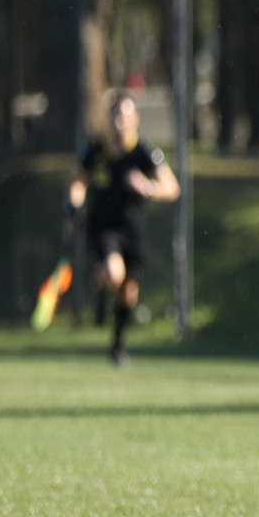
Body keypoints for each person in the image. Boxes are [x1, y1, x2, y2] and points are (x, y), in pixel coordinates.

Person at [68, 91, 180, 368]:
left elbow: (172, 188)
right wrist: (71, 207)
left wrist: (148, 187)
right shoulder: (96, 151)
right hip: (103, 227)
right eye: (115, 114)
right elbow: (77, 183)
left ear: (135, 119)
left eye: (125, 114)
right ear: (109, 118)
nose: (120, 120)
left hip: (133, 229)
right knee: (115, 273)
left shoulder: (145, 152)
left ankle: (117, 347)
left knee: (129, 291)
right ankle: (103, 287)